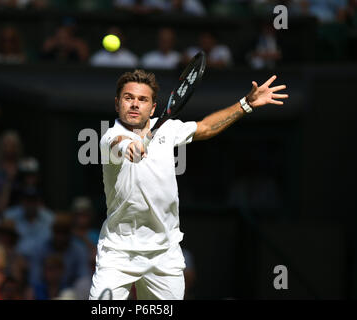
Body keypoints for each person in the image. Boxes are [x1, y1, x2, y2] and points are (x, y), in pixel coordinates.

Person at [89, 69, 288, 300]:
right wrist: (130, 147)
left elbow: (205, 127)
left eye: (142, 99)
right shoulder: (109, 136)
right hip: (118, 252)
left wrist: (246, 104)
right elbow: (118, 143)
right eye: (128, 98)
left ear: (153, 108)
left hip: (164, 253)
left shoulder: (167, 129)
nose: (134, 104)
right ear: (117, 104)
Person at [0, 130, 23, 214]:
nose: (9, 148)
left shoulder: (21, 165)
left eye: (12, 145)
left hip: (19, 207)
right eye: (6, 144)